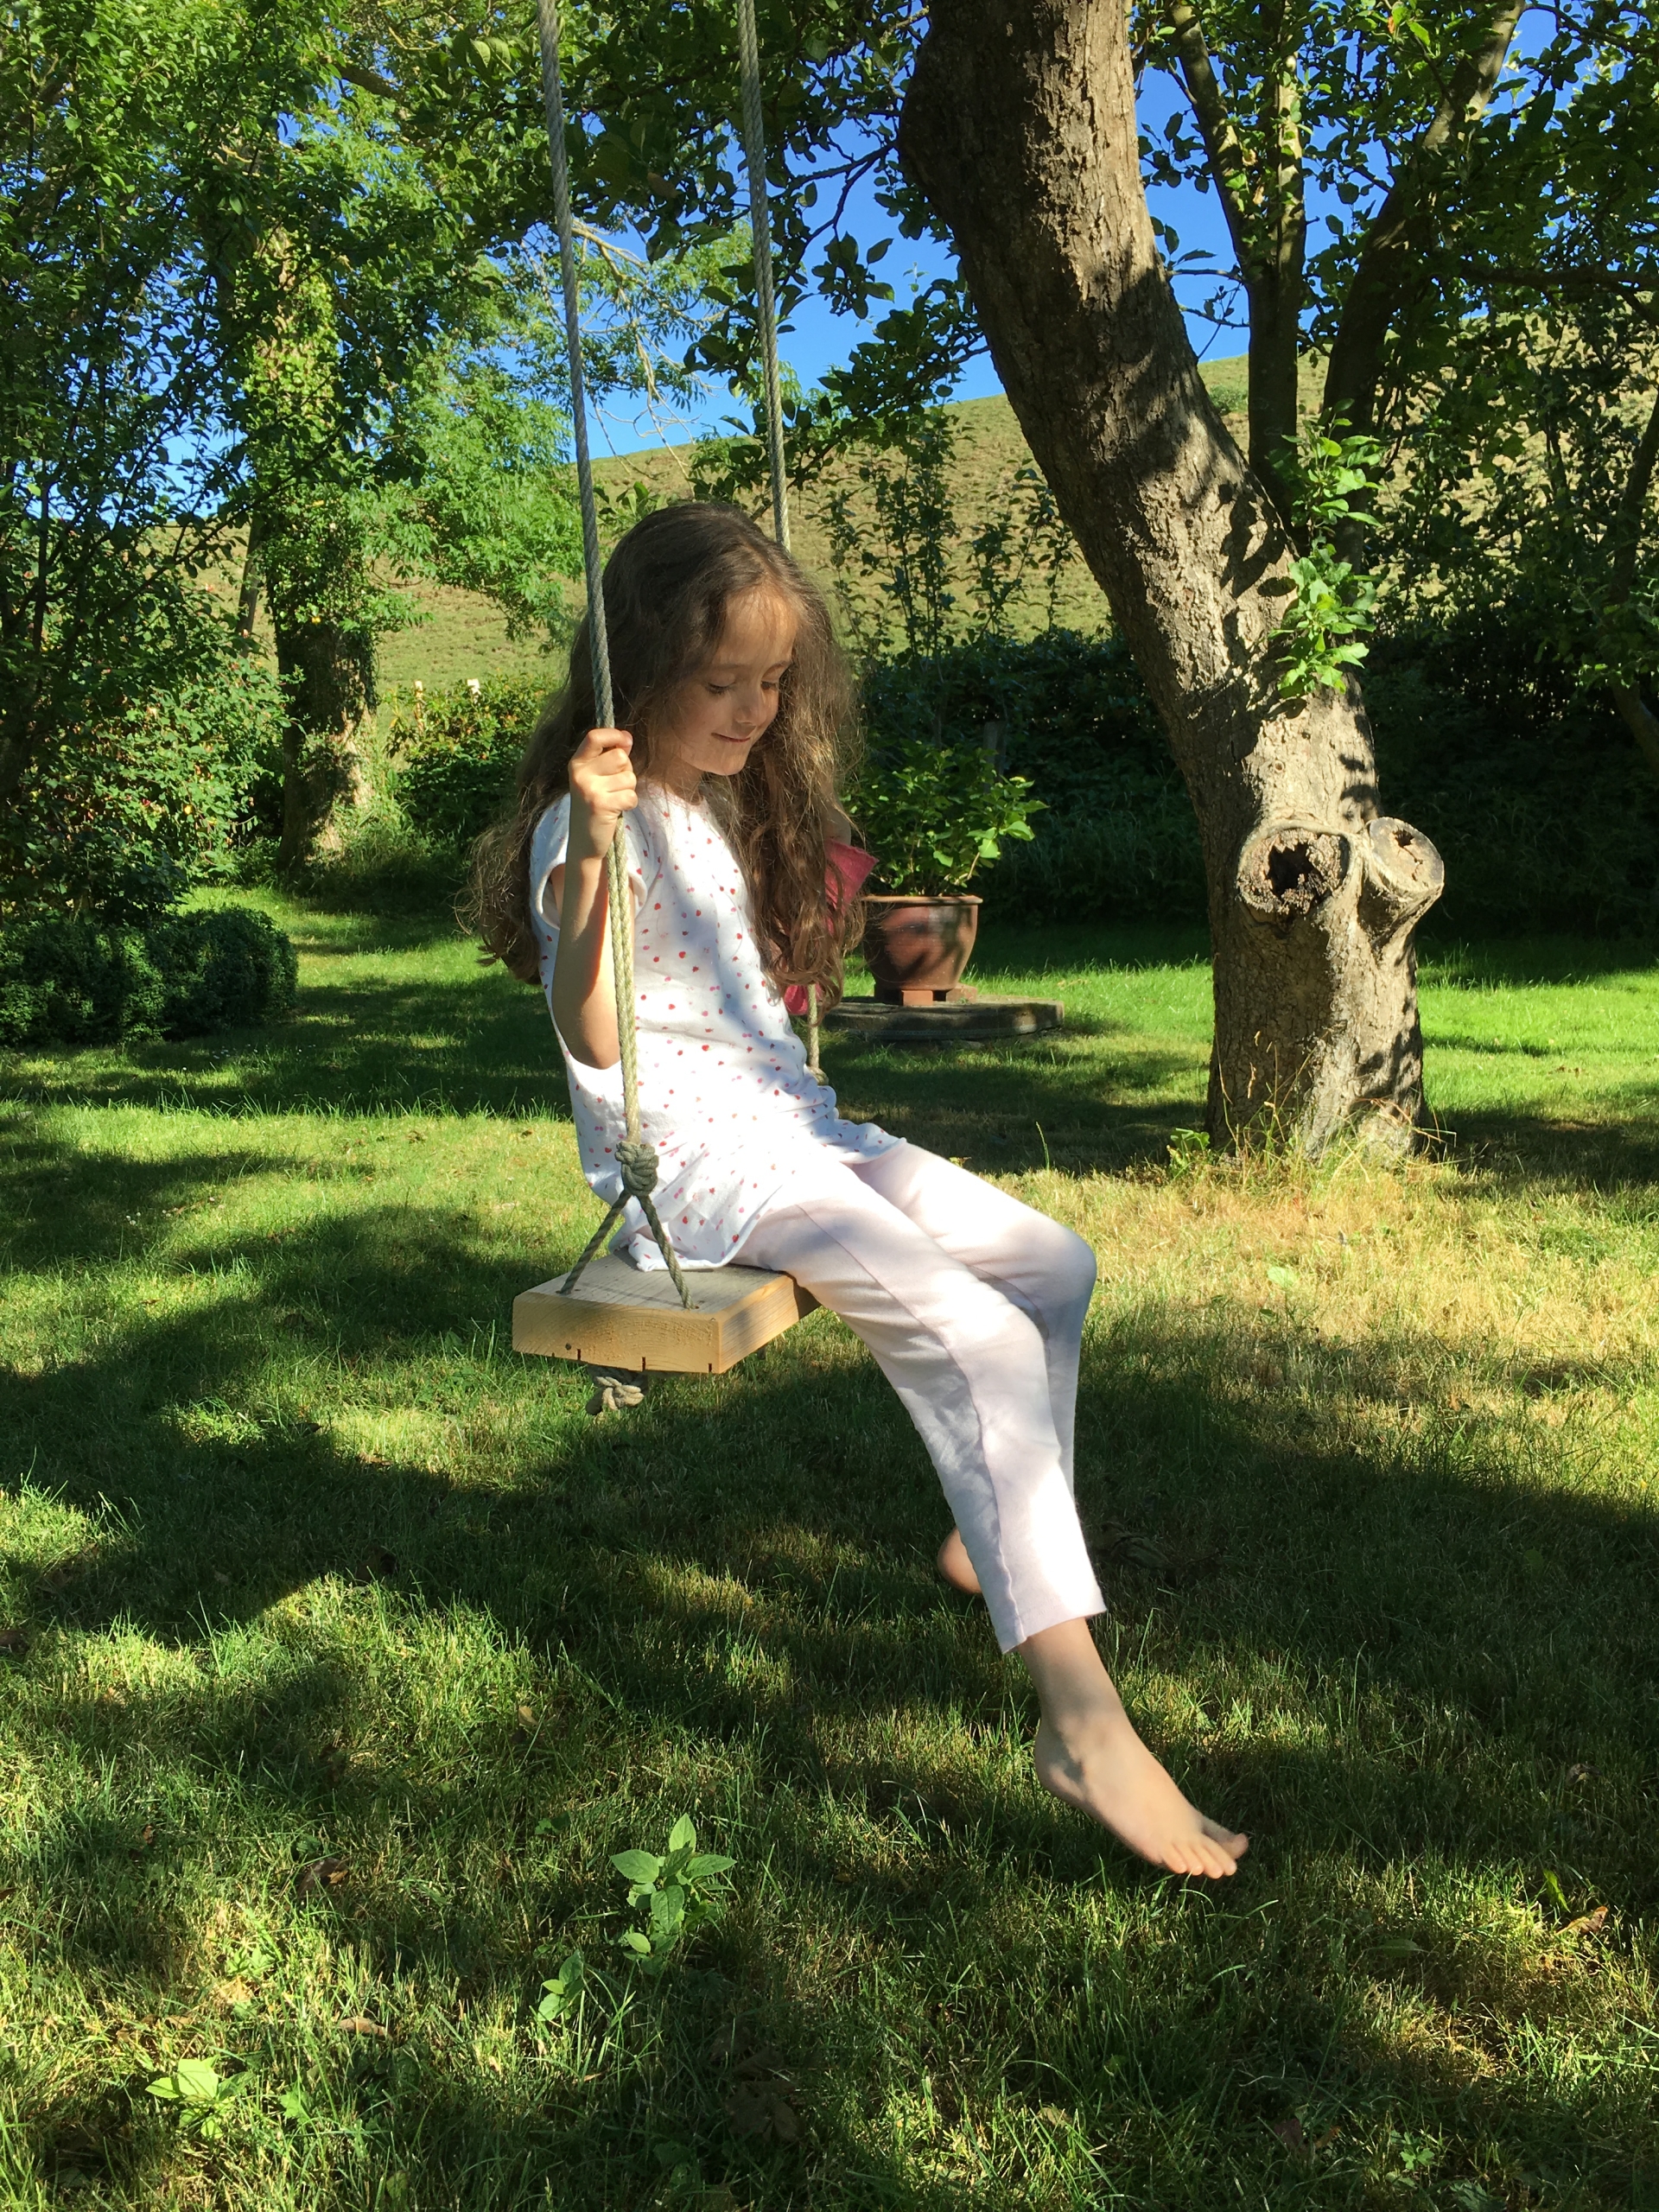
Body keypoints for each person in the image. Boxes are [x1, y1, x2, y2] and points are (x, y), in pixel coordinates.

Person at [471, 504, 1247, 1879]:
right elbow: (592, 1034)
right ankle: (1082, 1726)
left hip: (795, 1129)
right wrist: (587, 848)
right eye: (724, 682)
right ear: (639, 668)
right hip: (697, 1168)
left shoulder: (711, 803)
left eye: (774, 681)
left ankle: (993, 1539)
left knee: (1052, 1267)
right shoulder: (588, 829)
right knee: (977, 1336)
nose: (755, 709)